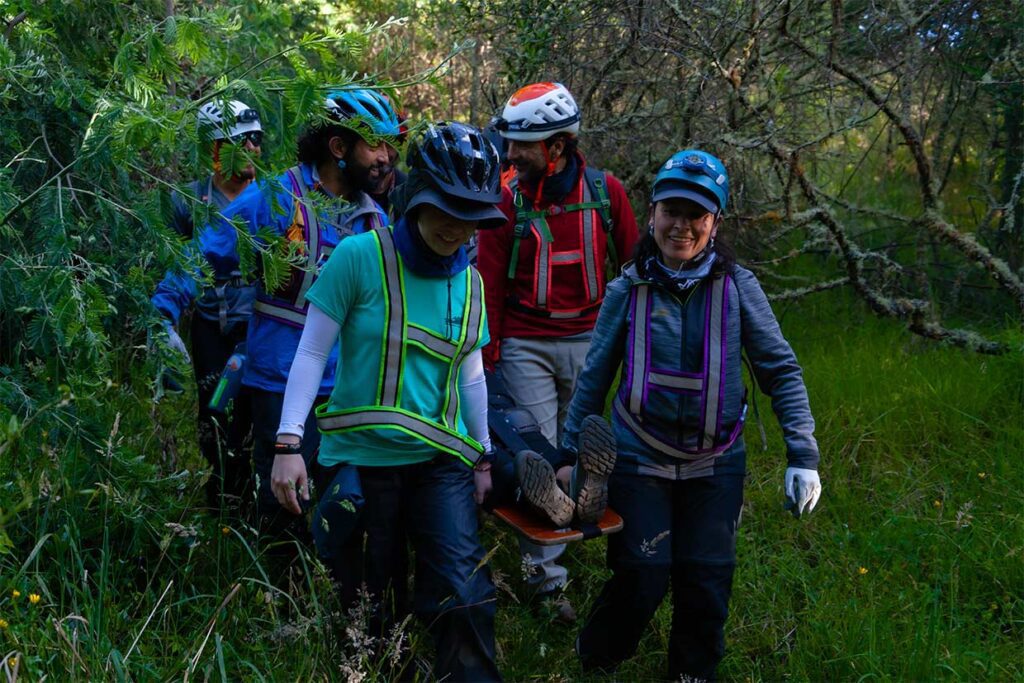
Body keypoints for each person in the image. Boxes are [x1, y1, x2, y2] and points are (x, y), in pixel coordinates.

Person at [564, 150, 823, 680]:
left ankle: (691, 674)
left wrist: (804, 454)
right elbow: (593, 377)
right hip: (639, 456)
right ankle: (596, 662)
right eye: (671, 212)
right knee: (642, 574)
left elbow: (780, 369)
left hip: (716, 463)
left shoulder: (739, 287)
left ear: (715, 221)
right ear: (653, 212)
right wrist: (571, 456)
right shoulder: (627, 288)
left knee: (706, 581)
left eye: (696, 215)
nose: (681, 226)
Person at [272, 121, 506, 681]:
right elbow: (310, 355)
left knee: (464, 593)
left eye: (472, 214)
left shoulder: (470, 283)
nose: (459, 227)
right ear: (417, 195)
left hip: (441, 465)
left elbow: (471, 377)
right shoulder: (359, 257)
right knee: (372, 609)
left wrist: (484, 456)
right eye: (447, 208)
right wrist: (287, 443)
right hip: (363, 462)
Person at [153, 89, 398, 554]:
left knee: (345, 504)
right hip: (278, 383)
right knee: (283, 505)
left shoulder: (373, 218)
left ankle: (336, 599)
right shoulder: (277, 198)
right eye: (374, 145)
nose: (385, 158)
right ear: (339, 147)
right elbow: (205, 252)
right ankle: (268, 599)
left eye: (389, 146)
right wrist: (163, 315)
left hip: (345, 389)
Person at [476, 81, 639, 618]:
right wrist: (490, 357)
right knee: (538, 454)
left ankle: (579, 518)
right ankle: (547, 583)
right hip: (526, 344)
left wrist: (635, 348)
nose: (511, 155)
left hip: (593, 344)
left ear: (558, 147)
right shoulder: (505, 199)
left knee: (578, 450)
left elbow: (637, 272)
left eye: (522, 145)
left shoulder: (606, 192)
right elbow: (490, 282)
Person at [152, 99, 263, 508]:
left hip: (257, 325)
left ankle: (253, 494)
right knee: (213, 410)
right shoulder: (189, 201)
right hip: (210, 322)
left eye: (256, 139)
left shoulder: (272, 199)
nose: (253, 148)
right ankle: (224, 487)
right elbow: (181, 263)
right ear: (215, 149)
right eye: (242, 141)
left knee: (256, 411)